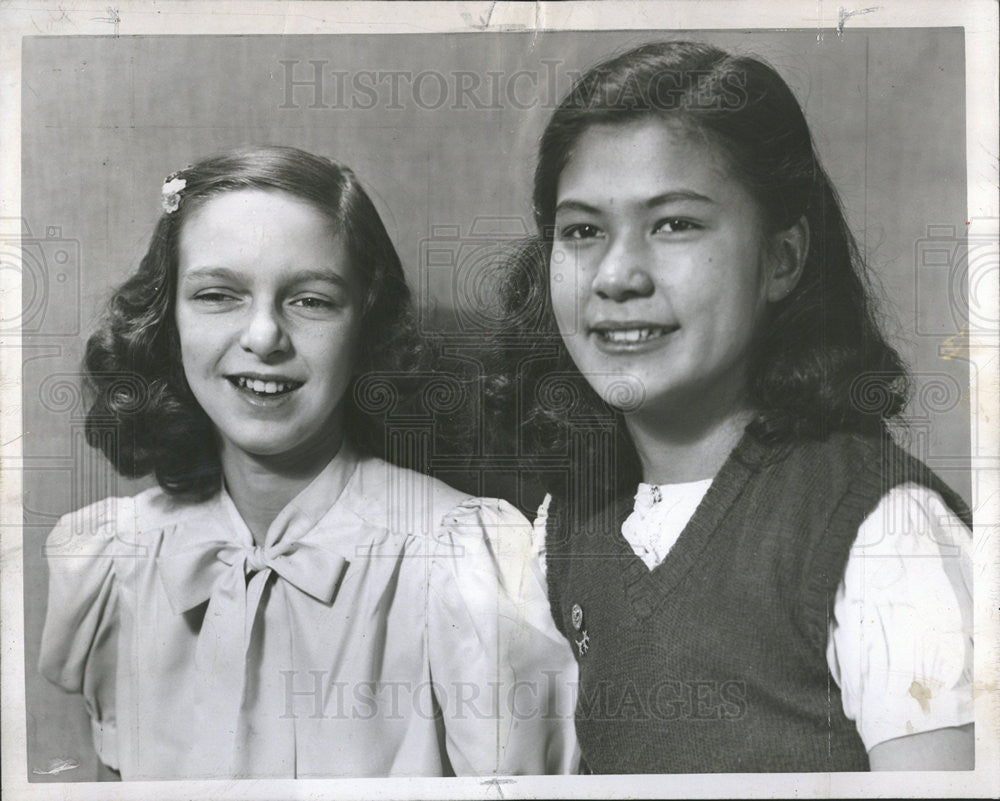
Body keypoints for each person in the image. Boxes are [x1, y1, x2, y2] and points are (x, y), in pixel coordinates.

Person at [489, 41, 974, 773]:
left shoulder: (879, 530)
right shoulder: (569, 532)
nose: (617, 276)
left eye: (674, 224)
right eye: (583, 230)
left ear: (782, 258)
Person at [39, 145, 577, 780]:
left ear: (366, 325)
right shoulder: (116, 559)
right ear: (168, 320)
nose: (264, 337)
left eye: (312, 301)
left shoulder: (458, 562)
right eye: (217, 295)